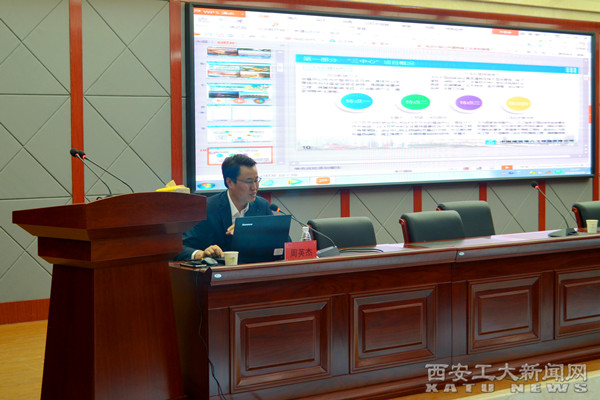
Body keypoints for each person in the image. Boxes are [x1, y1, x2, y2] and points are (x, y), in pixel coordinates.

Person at [173, 154, 273, 261]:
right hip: (219, 270)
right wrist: (201, 254)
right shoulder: (207, 208)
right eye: (248, 181)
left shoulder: (262, 206)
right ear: (229, 182)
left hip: (255, 269)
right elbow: (178, 247)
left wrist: (250, 230)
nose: (254, 187)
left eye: (256, 180)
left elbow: (280, 242)